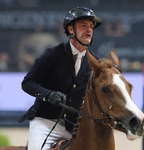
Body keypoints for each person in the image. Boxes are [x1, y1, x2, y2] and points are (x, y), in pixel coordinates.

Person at [19, 7, 102, 150]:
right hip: (45, 122)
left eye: (91, 26)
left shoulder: (96, 61)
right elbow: (28, 83)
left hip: (75, 126)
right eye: (83, 25)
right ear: (71, 30)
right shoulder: (53, 54)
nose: (89, 29)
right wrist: (48, 95)